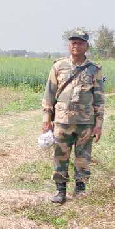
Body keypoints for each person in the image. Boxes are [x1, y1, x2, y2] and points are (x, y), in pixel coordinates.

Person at [42, 30, 104, 203]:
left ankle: (80, 189)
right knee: (60, 155)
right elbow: (49, 94)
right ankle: (60, 190)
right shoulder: (58, 66)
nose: (76, 45)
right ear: (69, 45)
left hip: (86, 122)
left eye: (80, 43)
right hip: (62, 121)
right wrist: (46, 119)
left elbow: (99, 98)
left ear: (87, 46)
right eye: (73, 42)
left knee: (83, 157)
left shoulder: (94, 69)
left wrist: (99, 124)